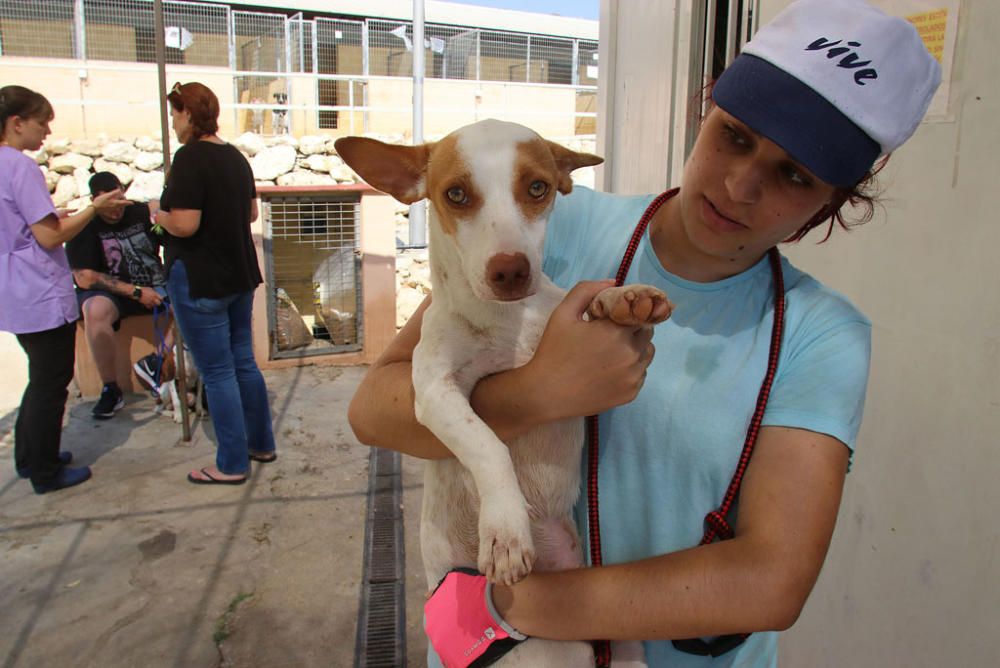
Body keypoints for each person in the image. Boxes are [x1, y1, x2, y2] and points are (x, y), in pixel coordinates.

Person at [347, 1, 942, 666]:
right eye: (736, 136)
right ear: (704, 113)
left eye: (793, 175)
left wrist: (504, 608)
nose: (741, 185)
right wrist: (539, 393)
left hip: (510, 622)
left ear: (828, 207)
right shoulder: (541, 226)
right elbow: (374, 410)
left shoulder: (821, 337)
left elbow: (770, 582)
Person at [0, 85, 129, 493]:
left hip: (16, 290)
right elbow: (50, 237)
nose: (46, 134)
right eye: (42, 124)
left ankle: (31, 457)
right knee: (51, 382)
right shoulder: (19, 167)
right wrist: (92, 209)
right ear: (17, 123)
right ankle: (45, 470)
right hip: (38, 291)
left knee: (40, 378)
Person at [154, 81, 277, 485]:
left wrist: (158, 214)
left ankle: (231, 463)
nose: (173, 122)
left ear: (188, 113)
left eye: (175, 114)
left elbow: (185, 224)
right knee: (243, 363)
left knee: (219, 371)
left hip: (201, 280)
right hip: (238, 276)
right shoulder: (235, 158)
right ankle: (260, 444)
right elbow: (251, 214)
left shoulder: (189, 159)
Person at [65, 171, 173, 419]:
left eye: (119, 202)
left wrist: (157, 211)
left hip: (154, 282)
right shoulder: (85, 225)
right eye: (108, 205)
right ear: (96, 201)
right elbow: (84, 277)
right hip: (113, 292)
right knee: (95, 312)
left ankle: (158, 362)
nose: (116, 211)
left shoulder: (139, 212)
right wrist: (135, 292)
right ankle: (110, 388)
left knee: (191, 301)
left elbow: (170, 235)